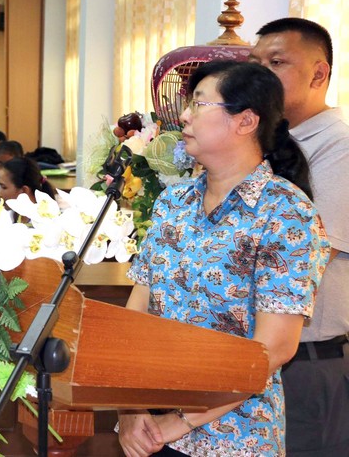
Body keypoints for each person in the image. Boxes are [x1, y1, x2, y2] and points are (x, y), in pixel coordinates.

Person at [117, 61, 331, 457]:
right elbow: (137, 314)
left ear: (246, 121)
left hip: (232, 436)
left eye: (199, 104)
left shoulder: (286, 213)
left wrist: (179, 422)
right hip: (149, 428)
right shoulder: (173, 202)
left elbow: (273, 349)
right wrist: (130, 408)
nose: (184, 116)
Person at [250, 17, 349, 456]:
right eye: (254, 63)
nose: (259, 74)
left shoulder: (339, 146)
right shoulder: (262, 141)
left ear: (318, 74)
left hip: (306, 364)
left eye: (276, 62)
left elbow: (304, 254)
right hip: (250, 356)